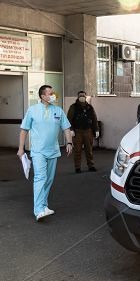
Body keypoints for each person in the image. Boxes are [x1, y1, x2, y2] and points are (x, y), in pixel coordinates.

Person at [17, 85, 73, 221]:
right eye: (50, 93)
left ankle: (44, 205)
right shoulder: (33, 110)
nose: (54, 95)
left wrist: (69, 142)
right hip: (38, 151)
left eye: (53, 92)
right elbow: (24, 129)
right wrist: (21, 148)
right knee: (40, 178)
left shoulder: (58, 110)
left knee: (49, 180)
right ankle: (38, 210)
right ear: (43, 96)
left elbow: (66, 127)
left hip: (53, 151)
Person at [67, 91, 99, 173]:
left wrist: (96, 129)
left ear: (85, 97)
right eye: (80, 96)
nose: (82, 97)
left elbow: (94, 119)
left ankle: (91, 166)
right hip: (77, 132)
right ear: (78, 97)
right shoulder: (73, 107)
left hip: (88, 131)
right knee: (77, 150)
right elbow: (69, 119)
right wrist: (71, 129)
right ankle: (77, 167)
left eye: (83, 96)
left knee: (89, 150)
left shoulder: (89, 107)